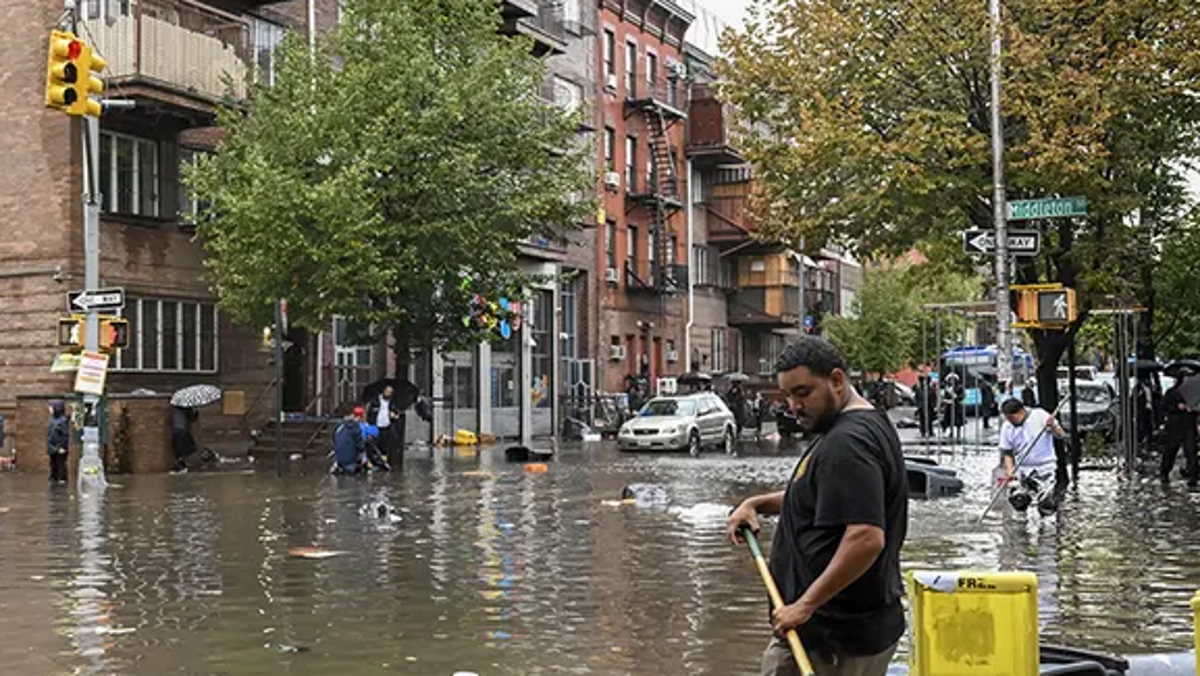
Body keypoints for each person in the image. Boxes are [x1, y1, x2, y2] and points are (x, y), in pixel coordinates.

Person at [725, 337, 908, 676]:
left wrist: (804, 606)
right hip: (847, 630)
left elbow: (866, 537)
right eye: (788, 396)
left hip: (831, 639)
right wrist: (757, 504)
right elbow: (820, 496)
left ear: (837, 380)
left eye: (803, 393)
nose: (793, 406)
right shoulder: (864, 425)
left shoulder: (847, 444)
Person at [998, 398, 1066, 516]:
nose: (1010, 421)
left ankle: (1046, 529)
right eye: (1007, 418)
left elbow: (1061, 435)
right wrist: (1010, 471)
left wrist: (1053, 427)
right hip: (1022, 468)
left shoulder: (1040, 415)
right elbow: (1007, 452)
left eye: (1012, 418)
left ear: (1021, 412)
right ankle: (1022, 526)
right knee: (1019, 500)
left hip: (1045, 467)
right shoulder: (1007, 427)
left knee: (1047, 503)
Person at [1159, 380, 1197, 487]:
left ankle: (1193, 476)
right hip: (1175, 426)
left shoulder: (1194, 393)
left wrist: (1193, 409)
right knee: (1171, 450)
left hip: (1189, 425)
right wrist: (1177, 407)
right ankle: (1164, 472)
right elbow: (1164, 406)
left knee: (1191, 451)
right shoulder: (1171, 392)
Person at [367, 385, 401, 462]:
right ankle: (373, 461)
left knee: (384, 446)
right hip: (375, 426)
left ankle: (384, 460)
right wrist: (369, 424)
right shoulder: (375, 401)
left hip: (386, 427)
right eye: (387, 391)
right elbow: (369, 413)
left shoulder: (392, 403)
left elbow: (397, 414)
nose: (388, 393)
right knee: (373, 445)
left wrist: (395, 416)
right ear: (383, 391)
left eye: (390, 392)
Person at [331, 405, 366, 474]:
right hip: (349, 460)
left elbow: (333, 437)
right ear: (359, 417)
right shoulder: (355, 427)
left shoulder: (340, 424)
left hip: (338, 457)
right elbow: (360, 445)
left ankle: (337, 465)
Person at [47, 400, 70, 483]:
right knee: (53, 464)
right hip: (52, 446)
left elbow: (65, 435)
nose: (49, 409)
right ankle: (53, 478)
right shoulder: (52, 420)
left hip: (59, 447)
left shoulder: (62, 421)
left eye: (51, 407)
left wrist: (62, 447)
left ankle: (62, 479)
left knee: (60, 464)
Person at [170, 405, 198, 473]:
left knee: (179, 450)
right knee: (186, 448)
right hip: (181, 430)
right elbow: (192, 418)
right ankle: (182, 465)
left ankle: (181, 465)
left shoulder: (174, 406)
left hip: (176, 430)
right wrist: (195, 413)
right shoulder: (186, 407)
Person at [940, 373, 965, 440]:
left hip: (957, 406)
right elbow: (945, 396)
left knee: (958, 421)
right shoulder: (947, 388)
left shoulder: (960, 387)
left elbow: (962, 396)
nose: (951, 381)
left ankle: (958, 434)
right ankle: (950, 432)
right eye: (950, 379)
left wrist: (956, 397)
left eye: (953, 379)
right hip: (948, 406)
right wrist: (945, 400)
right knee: (947, 420)